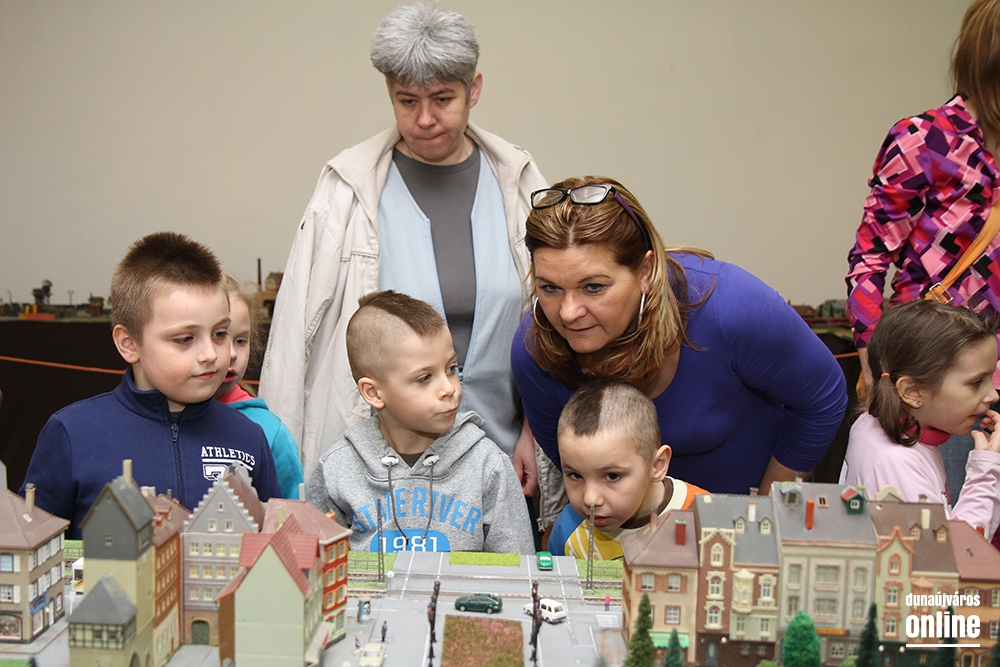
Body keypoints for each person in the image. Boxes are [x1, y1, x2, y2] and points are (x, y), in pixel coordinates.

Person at [260, 4, 547, 479]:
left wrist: (535, 432)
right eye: (407, 101)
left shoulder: (521, 184)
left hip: (502, 458)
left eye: (442, 99)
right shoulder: (345, 190)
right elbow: (294, 341)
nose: (425, 118)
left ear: (474, 89)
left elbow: (550, 328)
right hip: (380, 471)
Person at [511, 177, 848, 500]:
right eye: (550, 288)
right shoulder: (533, 350)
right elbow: (577, 471)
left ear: (645, 272)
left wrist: (769, 509)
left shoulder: (729, 308)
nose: (568, 312)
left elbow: (822, 398)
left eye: (593, 287)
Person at [22, 232, 280, 538]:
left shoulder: (249, 436)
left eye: (220, 334)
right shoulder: (71, 434)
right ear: (129, 344)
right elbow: (35, 546)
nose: (211, 354)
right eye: (185, 339)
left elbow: (272, 543)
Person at [846, 0, 1000, 502]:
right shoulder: (925, 139)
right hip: (941, 376)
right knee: (941, 528)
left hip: (989, 368)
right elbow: (870, 259)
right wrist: (875, 362)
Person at [306, 291, 535, 554]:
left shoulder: (488, 465)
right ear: (374, 393)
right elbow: (316, 564)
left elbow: (517, 566)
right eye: (424, 378)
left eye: (451, 368)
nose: (449, 388)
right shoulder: (336, 470)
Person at [841, 300, 1000, 540]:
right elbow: (955, 551)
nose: (993, 395)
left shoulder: (870, 422)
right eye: (976, 382)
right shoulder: (897, 463)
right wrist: (987, 472)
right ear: (913, 392)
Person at [547, 379, 708, 560]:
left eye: (612, 476)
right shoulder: (567, 529)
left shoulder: (707, 520)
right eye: (575, 475)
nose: (590, 499)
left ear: (657, 465)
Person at [215, 276, 304, 499]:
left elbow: (291, 508)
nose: (232, 354)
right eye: (218, 337)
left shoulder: (269, 430)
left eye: (240, 341)